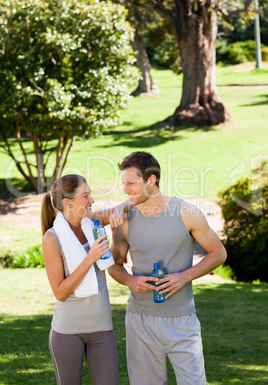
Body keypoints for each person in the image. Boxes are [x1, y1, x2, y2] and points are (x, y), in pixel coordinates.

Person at [108, 151, 227, 385]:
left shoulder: (186, 213)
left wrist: (185, 276)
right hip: (139, 319)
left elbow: (219, 253)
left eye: (131, 183)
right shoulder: (124, 219)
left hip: (182, 317)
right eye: (124, 183)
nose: (126, 190)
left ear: (151, 180)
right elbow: (115, 265)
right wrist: (130, 281)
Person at [41, 174, 130, 385]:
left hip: (101, 329)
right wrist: (90, 258)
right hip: (67, 332)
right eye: (86, 196)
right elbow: (60, 292)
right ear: (68, 203)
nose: (92, 200)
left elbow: (124, 206)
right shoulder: (51, 238)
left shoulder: (93, 224)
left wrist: (130, 202)